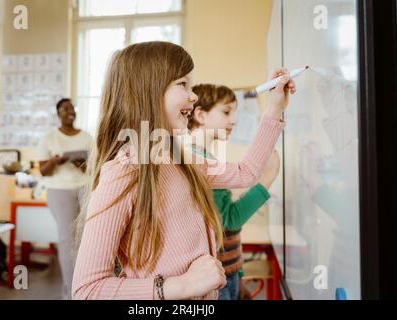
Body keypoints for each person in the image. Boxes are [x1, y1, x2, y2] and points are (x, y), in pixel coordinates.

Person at [72, 41, 296, 300]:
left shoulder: (179, 159)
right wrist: (183, 286)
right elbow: (87, 291)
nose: (194, 96)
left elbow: (245, 172)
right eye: (182, 84)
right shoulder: (123, 172)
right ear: (149, 91)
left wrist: (275, 107)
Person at [187, 84, 280, 300]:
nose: (234, 120)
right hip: (218, 278)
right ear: (200, 114)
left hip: (224, 272)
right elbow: (229, 220)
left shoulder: (200, 156)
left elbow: (220, 212)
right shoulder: (200, 161)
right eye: (226, 112)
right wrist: (266, 180)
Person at [37, 98, 93, 299]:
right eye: (65, 108)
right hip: (60, 191)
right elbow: (43, 171)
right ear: (58, 113)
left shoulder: (87, 137)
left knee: (88, 239)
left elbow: (92, 167)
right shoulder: (49, 138)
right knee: (68, 240)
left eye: (72, 108)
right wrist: (55, 161)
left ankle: (89, 286)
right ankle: (70, 292)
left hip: (84, 188)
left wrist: (81, 162)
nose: (70, 111)